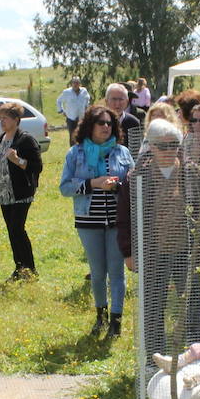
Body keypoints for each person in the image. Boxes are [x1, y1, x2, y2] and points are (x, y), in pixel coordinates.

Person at [117, 120, 200, 357]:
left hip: (187, 251)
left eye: (174, 145)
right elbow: (123, 218)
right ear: (151, 146)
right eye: (163, 146)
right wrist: (128, 252)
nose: (169, 150)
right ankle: (155, 356)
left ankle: (197, 353)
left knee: (192, 303)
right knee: (153, 306)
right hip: (153, 252)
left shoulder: (191, 172)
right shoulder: (137, 177)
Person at [60, 105, 134, 337]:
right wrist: (93, 183)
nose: (106, 127)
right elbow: (64, 187)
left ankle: (116, 321)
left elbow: (133, 185)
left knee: (117, 272)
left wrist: (117, 186)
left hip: (117, 221)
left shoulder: (122, 152)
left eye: (109, 123)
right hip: (88, 221)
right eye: (101, 123)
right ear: (89, 126)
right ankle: (100, 316)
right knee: (98, 272)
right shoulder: (75, 153)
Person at [0, 101, 44, 279]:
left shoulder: (25, 139)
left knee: (17, 229)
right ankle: (19, 267)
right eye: (0, 118)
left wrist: (18, 161)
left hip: (21, 193)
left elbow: (37, 166)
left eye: (5, 118)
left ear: (16, 120)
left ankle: (30, 268)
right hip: (4, 193)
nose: (1, 122)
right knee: (11, 231)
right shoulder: (0, 139)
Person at [104, 82, 143, 151]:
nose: (117, 103)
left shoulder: (133, 123)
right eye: (114, 99)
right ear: (106, 101)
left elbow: (136, 150)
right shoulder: (98, 121)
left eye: (121, 99)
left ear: (127, 101)